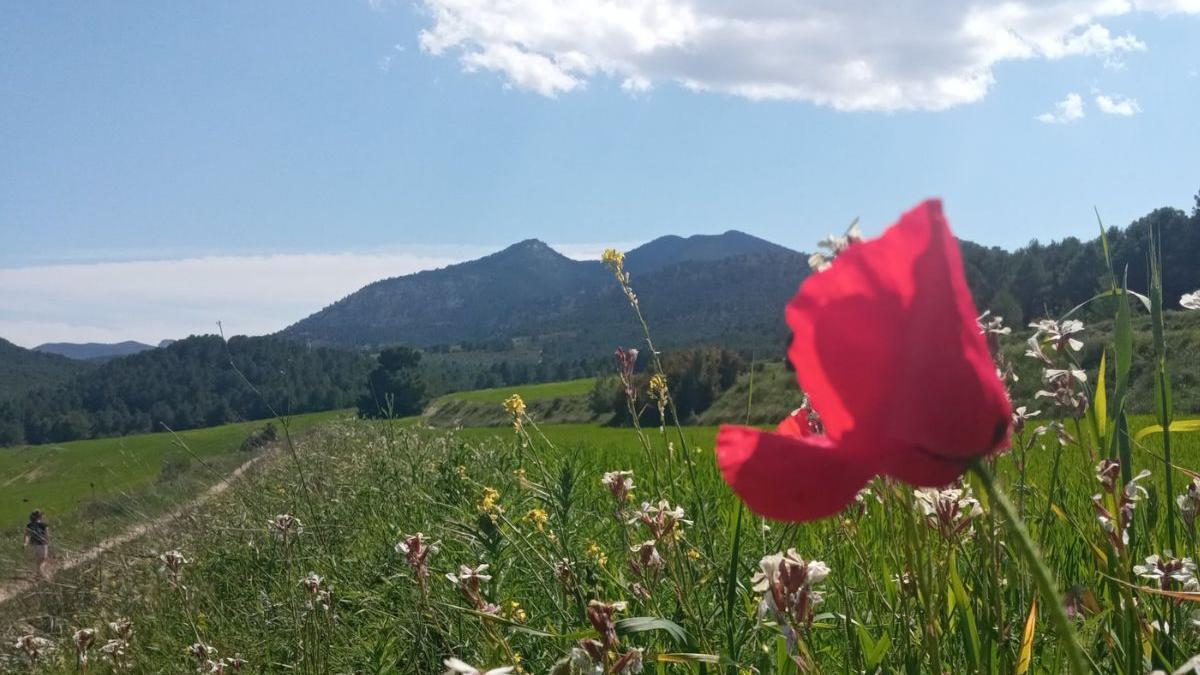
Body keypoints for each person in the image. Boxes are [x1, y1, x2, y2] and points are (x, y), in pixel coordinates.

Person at [24, 509, 50, 579]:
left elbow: (27, 535)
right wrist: (48, 541)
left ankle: (38, 574)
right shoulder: (44, 525)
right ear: (40, 517)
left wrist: (25, 543)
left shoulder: (29, 525)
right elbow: (47, 535)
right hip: (43, 543)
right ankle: (43, 575)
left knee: (38, 560)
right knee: (43, 559)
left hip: (34, 544)